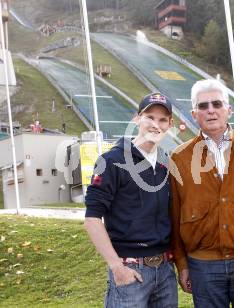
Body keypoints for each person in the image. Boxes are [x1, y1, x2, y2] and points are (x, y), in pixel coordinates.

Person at [170, 79, 234, 308]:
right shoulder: (180, 157)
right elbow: (175, 214)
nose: (211, 110)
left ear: (229, 110)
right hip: (203, 265)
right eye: (203, 106)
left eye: (217, 103)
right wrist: (182, 263)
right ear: (194, 114)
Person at [84, 93, 177, 308]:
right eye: (150, 117)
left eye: (163, 119)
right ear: (137, 119)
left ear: (170, 124)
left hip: (164, 270)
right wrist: (117, 267)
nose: (156, 124)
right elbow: (92, 218)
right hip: (130, 269)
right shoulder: (111, 161)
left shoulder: (166, 163)